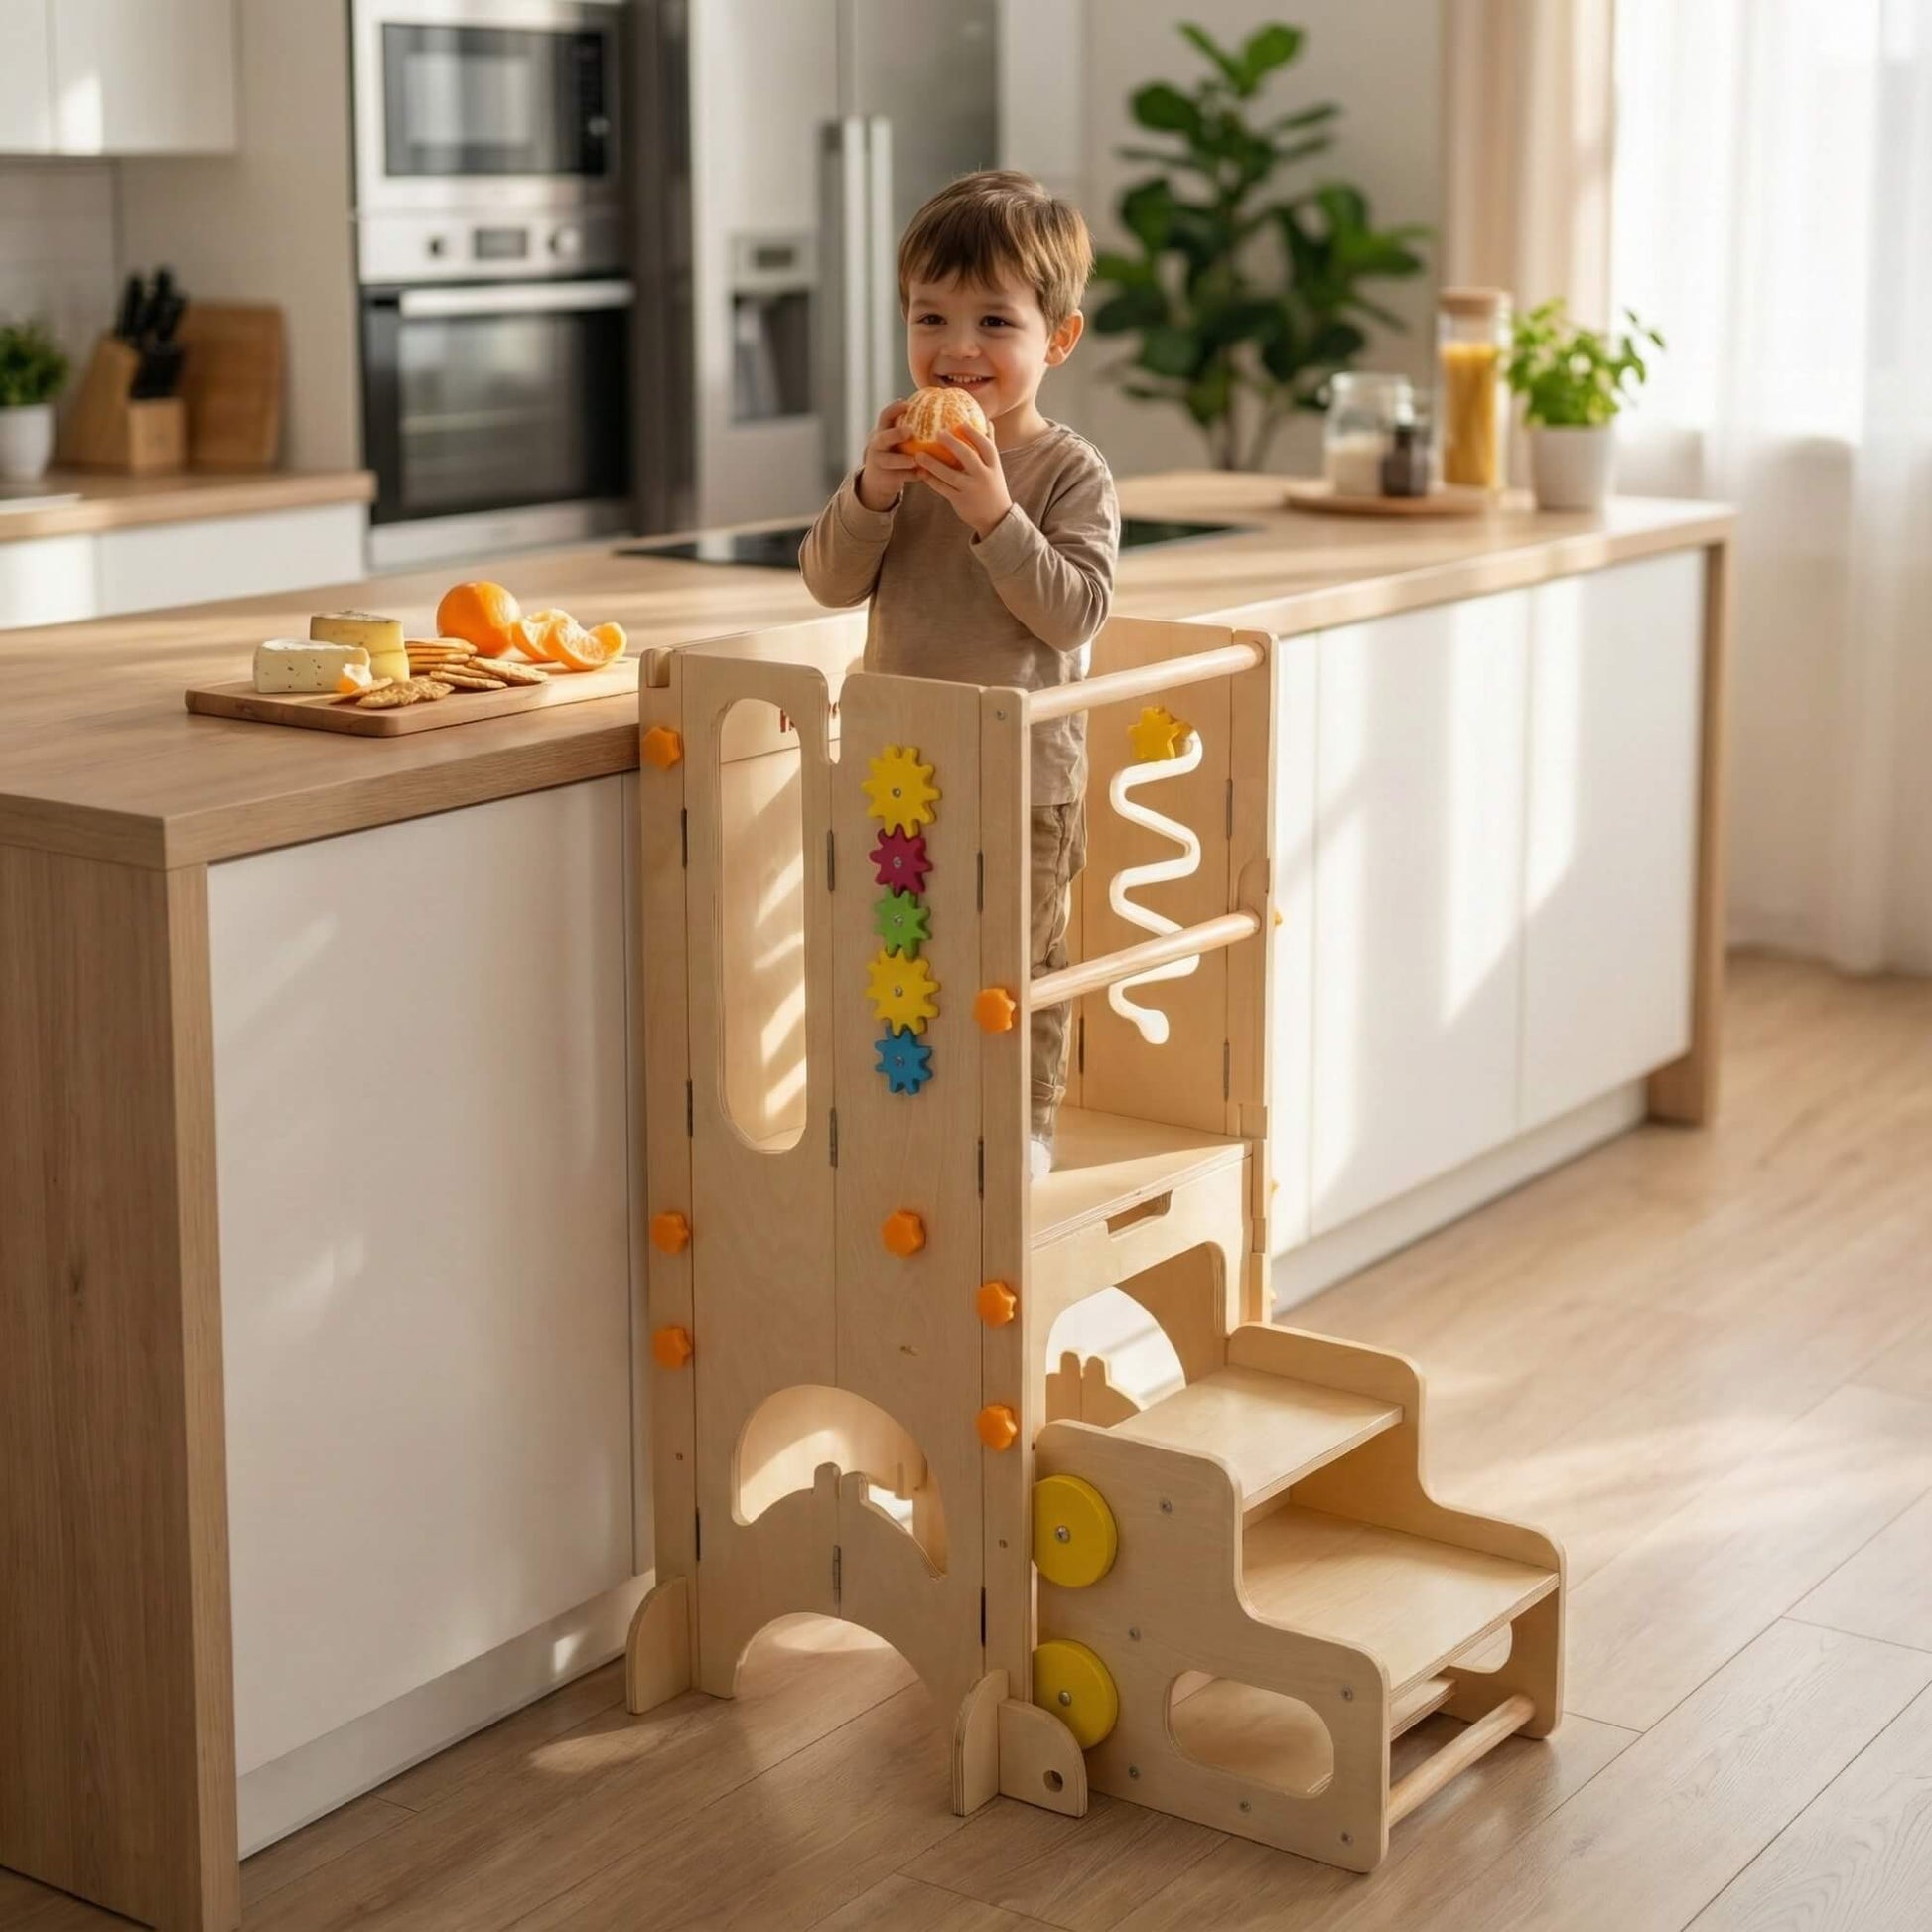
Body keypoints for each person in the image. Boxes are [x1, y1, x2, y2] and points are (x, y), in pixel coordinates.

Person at [801, 170, 1119, 1179]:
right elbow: (826, 582)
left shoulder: (1068, 472)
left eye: (994, 319)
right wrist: (869, 493)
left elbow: (1074, 610)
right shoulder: (901, 455)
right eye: (930, 316)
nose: (957, 348)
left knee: (1013, 963)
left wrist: (991, 513)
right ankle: (913, 1112)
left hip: (1022, 778)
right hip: (897, 763)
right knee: (903, 948)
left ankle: (1019, 1127)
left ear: (1055, 340)